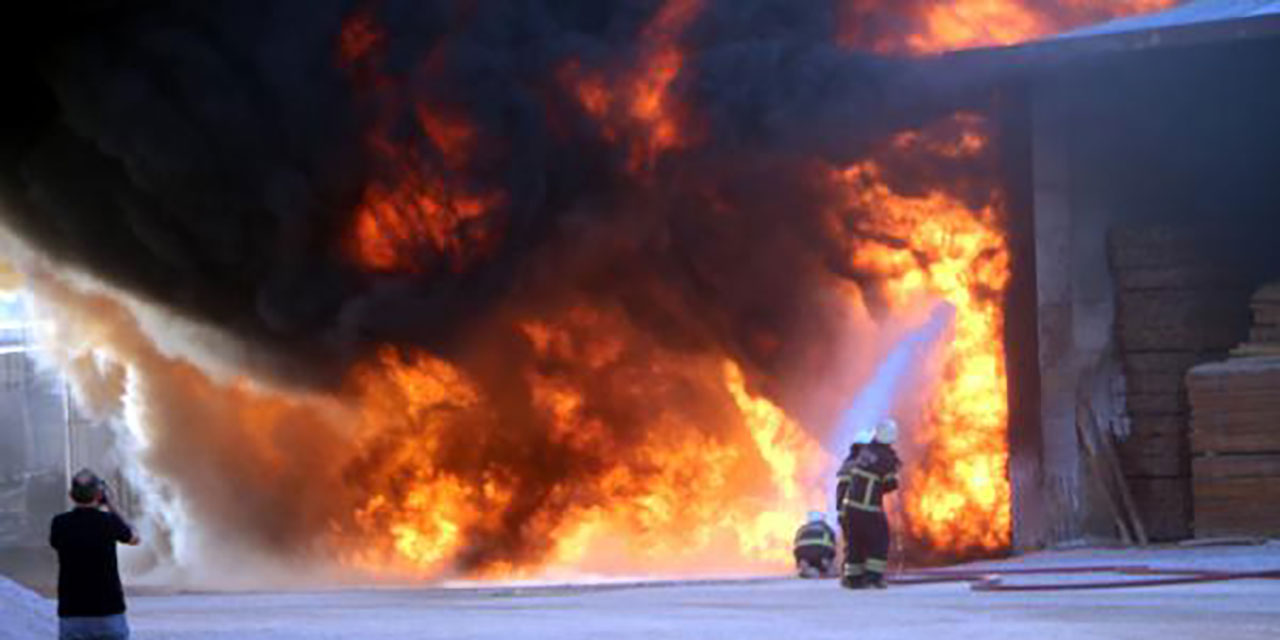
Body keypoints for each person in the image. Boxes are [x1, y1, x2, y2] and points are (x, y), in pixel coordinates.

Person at [49, 469, 140, 640]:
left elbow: (56, 543)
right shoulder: (109, 522)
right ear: (99, 495)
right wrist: (111, 505)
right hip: (108, 611)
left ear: (71, 495)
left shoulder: (59, 524)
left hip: (72, 612)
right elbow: (134, 537)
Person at [835, 418, 900, 590]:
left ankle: (853, 578)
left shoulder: (864, 454)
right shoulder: (887, 458)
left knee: (855, 542)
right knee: (880, 539)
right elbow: (890, 485)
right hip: (868, 508)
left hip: (850, 509)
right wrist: (894, 474)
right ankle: (873, 578)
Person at [792, 511, 838, 578]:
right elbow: (833, 543)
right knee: (827, 556)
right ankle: (826, 565)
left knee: (803, 557)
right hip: (821, 552)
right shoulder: (827, 528)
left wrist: (799, 558)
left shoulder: (802, 529)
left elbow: (796, 543)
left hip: (803, 553)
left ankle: (804, 567)